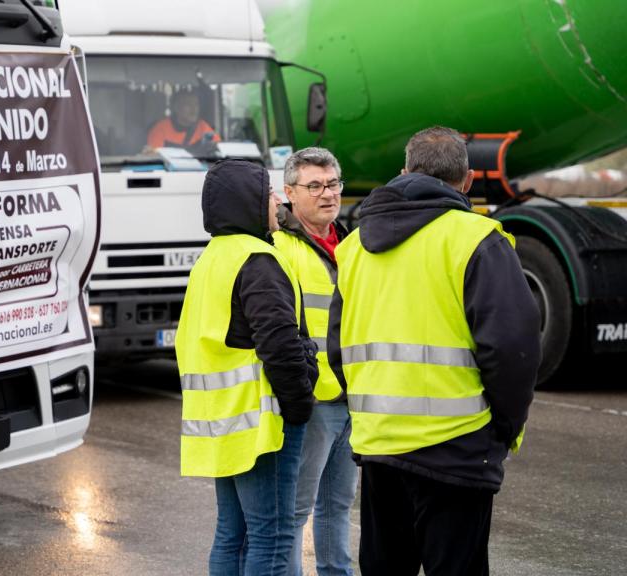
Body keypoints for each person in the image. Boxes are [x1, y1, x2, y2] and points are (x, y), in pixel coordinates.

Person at [327, 126, 541, 576]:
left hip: (380, 447)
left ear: (403, 172)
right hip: (457, 449)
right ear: (466, 181)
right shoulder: (478, 240)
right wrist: (504, 427)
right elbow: (513, 350)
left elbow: (337, 348)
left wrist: (374, 409)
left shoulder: (353, 248)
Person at [176, 158, 317, 575]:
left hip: (224, 423)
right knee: (271, 538)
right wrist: (300, 406)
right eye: (268, 192)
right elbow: (279, 345)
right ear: (249, 203)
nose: (276, 201)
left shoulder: (210, 259)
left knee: (232, 536)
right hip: (262, 427)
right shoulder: (258, 259)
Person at [273, 148, 357, 576]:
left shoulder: (350, 244)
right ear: (289, 193)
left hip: (350, 401)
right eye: (315, 186)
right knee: (295, 513)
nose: (328, 194)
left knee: (337, 509)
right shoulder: (281, 248)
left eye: (334, 184)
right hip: (312, 405)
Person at [146, 89, 221, 151]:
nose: (194, 109)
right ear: (176, 108)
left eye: (196, 104)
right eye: (188, 104)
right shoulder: (161, 128)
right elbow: (154, 155)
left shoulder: (202, 127)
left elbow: (218, 148)